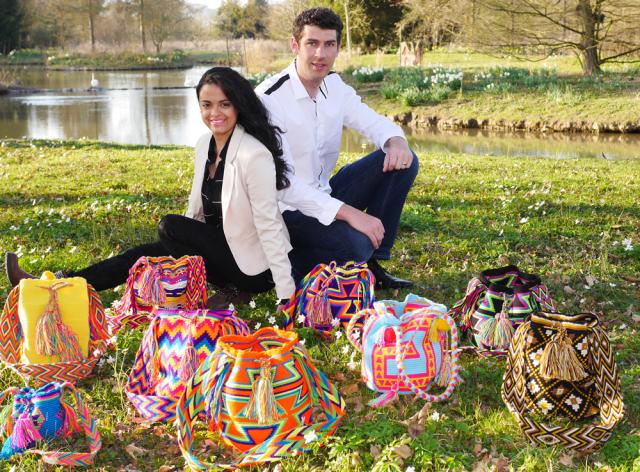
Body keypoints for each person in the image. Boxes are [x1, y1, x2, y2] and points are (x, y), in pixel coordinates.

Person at [5, 67, 295, 309]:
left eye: (224, 104)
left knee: (170, 226)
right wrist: (176, 254)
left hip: (254, 269)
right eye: (207, 105)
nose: (214, 113)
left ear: (238, 105)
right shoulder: (204, 145)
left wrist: (286, 294)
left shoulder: (254, 155)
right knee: (139, 256)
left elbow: (268, 223)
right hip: (218, 249)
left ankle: (237, 289)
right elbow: (196, 212)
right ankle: (58, 285)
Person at [255, 7, 419, 289]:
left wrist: (397, 140)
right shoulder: (269, 98)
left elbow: (373, 122)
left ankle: (370, 262)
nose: (320, 54)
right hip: (286, 211)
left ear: (338, 47)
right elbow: (282, 184)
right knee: (356, 244)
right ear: (295, 45)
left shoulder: (334, 85)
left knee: (404, 160)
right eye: (312, 43)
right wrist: (351, 213)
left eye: (329, 44)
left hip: (325, 193)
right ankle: (289, 263)